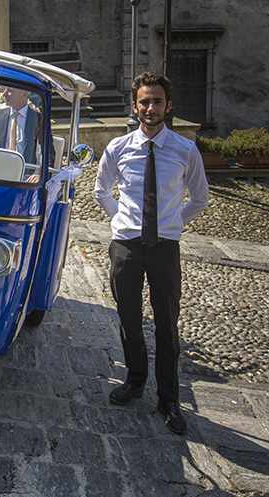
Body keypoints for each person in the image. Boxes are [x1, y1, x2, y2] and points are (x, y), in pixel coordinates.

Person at [94, 71, 209, 435]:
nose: (150, 107)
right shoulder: (117, 148)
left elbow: (200, 197)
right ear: (135, 105)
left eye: (157, 101)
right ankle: (135, 380)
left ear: (168, 106)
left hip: (164, 249)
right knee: (129, 319)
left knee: (166, 323)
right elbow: (101, 191)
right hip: (126, 246)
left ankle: (169, 398)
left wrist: (172, 221)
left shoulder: (185, 150)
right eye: (144, 101)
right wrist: (122, 222)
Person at [0, 87, 41, 165]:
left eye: (10, 90)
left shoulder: (38, 119)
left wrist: (38, 173)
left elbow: (48, 152)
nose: (4, 94)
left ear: (24, 93)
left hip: (25, 173)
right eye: (4, 90)